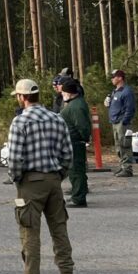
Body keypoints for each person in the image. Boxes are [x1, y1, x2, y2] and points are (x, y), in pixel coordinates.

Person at [7, 78, 75, 274]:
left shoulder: (20, 122)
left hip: (30, 183)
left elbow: (15, 159)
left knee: (30, 234)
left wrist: (17, 179)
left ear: (22, 97)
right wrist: (58, 175)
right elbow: (68, 154)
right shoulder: (57, 119)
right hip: (54, 180)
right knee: (59, 230)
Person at [59, 79, 91, 208]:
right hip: (70, 141)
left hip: (74, 142)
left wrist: (84, 138)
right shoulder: (75, 103)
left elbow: (82, 126)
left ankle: (79, 198)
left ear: (69, 93)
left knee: (76, 170)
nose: (62, 94)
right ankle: (77, 193)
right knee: (74, 170)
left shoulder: (76, 106)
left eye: (63, 92)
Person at [105, 69, 136, 178]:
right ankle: (123, 166)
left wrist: (125, 121)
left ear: (120, 78)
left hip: (122, 123)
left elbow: (130, 109)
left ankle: (127, 169)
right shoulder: (115, 91)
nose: (112, 79)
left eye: (114, 77)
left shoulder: (126, 91)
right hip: (115, 122)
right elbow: (115, 106)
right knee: (118, 146)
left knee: (125, 145)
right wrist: (108, 103)